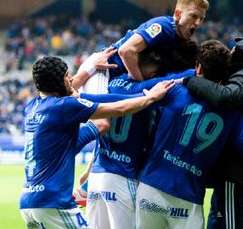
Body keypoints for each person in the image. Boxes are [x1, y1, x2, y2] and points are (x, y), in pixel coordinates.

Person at [19, 55, 174, 228]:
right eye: (67, 76)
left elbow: (96, 118)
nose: (71, 79)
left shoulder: (32, 107)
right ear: (57, 82)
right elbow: (119, 108)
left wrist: (90, 68)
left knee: (100, 125)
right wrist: (150, 97)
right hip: (52, 202)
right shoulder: (63, 107)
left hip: (28, 202)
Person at [135, 40, 243, 229]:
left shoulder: (174, 90)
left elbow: (134, 98)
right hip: (187, 200)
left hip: (151, 188)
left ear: (199, 67)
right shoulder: (232, 115)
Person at [82, 42, 198, 229]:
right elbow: (186, 76)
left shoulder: (109, 84)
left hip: (97, 176)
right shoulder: (145, 89)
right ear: (153, 73)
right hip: (122, 175)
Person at [182, 38, 243, 229]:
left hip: (236, 177)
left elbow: (225, 96)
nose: (231, 51)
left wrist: (190, 81)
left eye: (235, 49)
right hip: (235, 177)